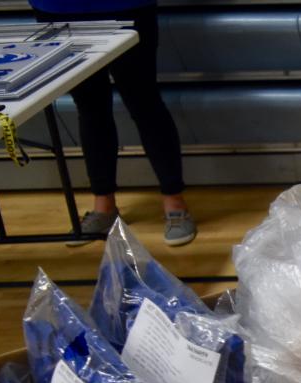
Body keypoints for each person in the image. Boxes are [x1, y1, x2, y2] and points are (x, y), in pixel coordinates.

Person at [29, 0, 196, 246]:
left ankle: (174, 201)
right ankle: (104, 206)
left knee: (144, 102)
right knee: (90, 107)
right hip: (60, 8)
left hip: (126, 5)